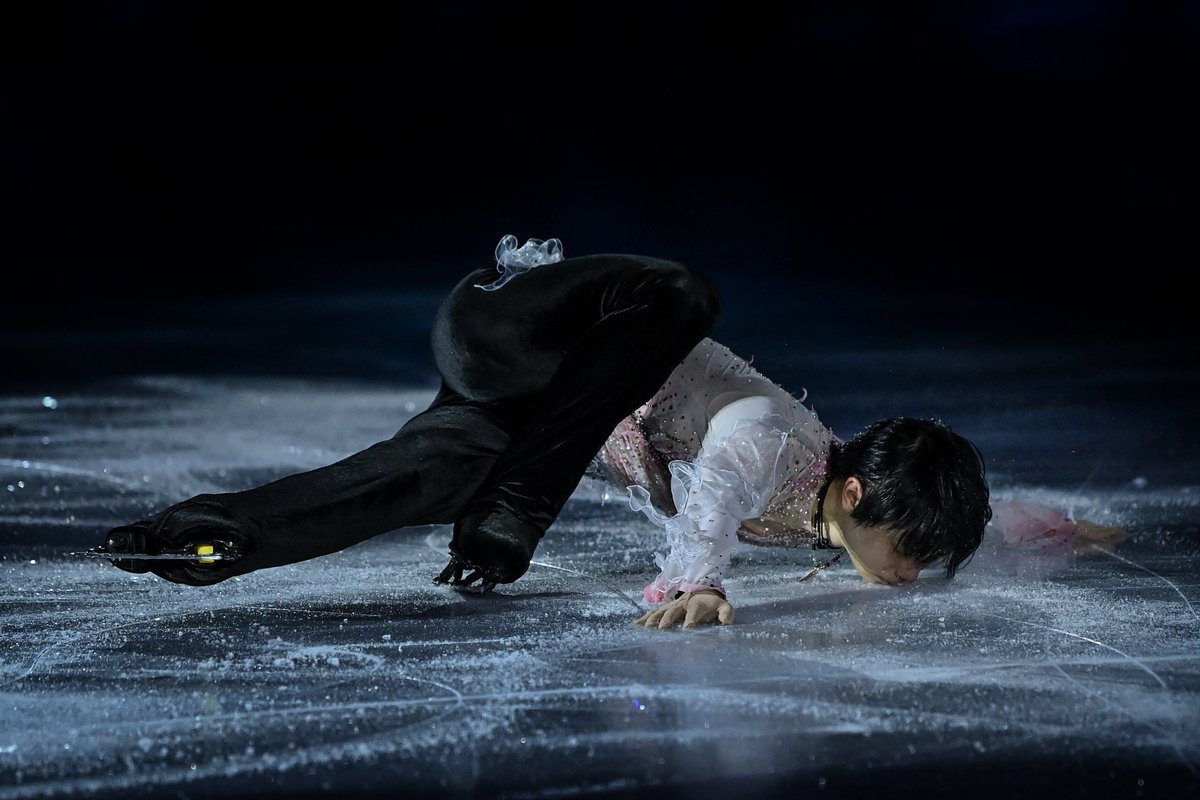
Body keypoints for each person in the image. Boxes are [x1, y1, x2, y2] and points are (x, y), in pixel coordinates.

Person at [96, 236, 1123, 630]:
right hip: (522, 324)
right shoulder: (776, 436)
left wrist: (1052, 531)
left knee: (401, 486)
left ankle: (201, 538)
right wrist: (695, 580)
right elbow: (715, 489)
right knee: (688, 296)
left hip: (532, 410)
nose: (915, 571)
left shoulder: (842, 518)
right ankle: (516, 503)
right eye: (915, 553)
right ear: (857, 496)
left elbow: (949, 526)